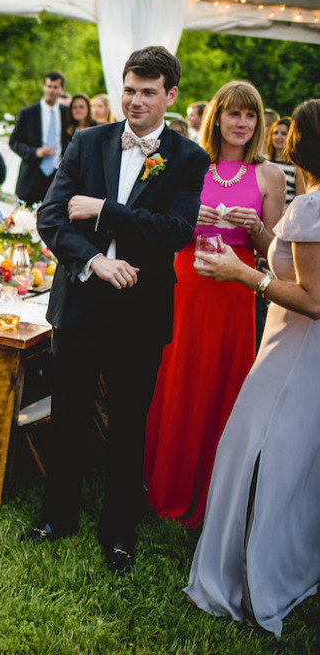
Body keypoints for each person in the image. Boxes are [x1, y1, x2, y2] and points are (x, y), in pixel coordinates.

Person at [25, 46, 210, 574]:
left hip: (139, 312)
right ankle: (57, 516)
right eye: (130, 89)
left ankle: (119, 532)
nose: (135, 100)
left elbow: (175, 232)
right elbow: (51, 217)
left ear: (170, 95)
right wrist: (92, 263)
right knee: (68, 417)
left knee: (128, 425)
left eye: (149, 92)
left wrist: (106, 210)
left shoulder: (188, 158)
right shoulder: (88, 141)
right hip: (80, 301)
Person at [186, 99, 320, 637]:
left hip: (294, 351)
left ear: (299, 144)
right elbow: (293, 262)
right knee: (296, 465)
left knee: (252, 453)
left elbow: (312, 298)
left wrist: (244, 274)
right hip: (301, 351)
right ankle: (291, 565)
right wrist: (262, 240)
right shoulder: (310, 204)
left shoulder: (311, 206)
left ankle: (246, 579)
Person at [144, 81, 285, 528]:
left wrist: (258, 228)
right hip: (188, 280)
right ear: (218, 117)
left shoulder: (271, 175)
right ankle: (160, 480)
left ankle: (211, 489)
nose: (242, 123)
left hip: (235, 288)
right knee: (178, 374)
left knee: (222, 380)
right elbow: (161, 228)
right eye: (234, 114)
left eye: (250, 116)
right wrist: (188, 222)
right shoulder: (190, 165)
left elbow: (278, 254)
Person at [10, 71, 69, 204]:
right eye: (49, 86)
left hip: (57, 176)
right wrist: (35, 152)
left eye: (55, 87)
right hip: (31, 176)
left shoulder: (67, 113)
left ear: (61, 90)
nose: (51, 91)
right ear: (43, 87)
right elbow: (14, 142)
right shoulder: (28, 113)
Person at [267, 116, 296, 205]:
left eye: (284, 134)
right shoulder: (263, 161)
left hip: (286, 215)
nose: (278, 137)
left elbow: (299, 198)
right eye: (275, 133)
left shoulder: (296, 167)